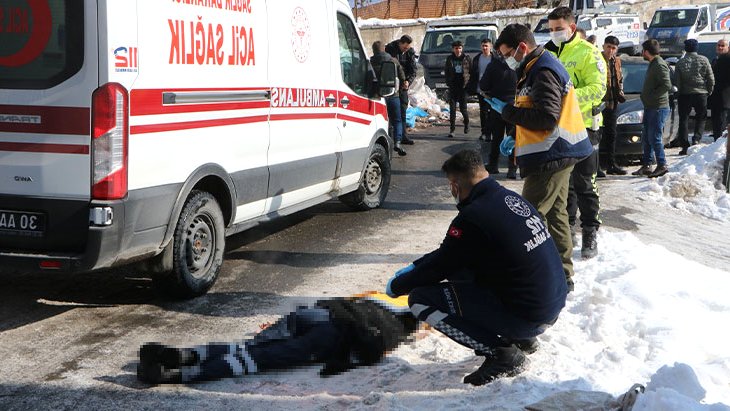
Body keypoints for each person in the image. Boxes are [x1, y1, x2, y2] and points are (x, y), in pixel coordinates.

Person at [386, 149, 568, 386]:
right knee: (465, 269)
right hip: (548, 307)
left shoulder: (474, 216)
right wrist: (417, 267)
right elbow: (453, 255)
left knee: (421, 298)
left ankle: (502, 355)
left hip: (527, 316)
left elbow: (441, 265)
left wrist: (399, 284)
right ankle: (521, 338)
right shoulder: (509, 199)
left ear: (455, 185)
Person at [489, 23, 593, 290]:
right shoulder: (533, 68)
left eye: (508, 53)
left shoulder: (542, 70)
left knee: (526, 218)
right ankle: (562, 276)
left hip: (553, 154)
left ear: (522, 47)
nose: (508, 60)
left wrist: (508, 113)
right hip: (555, 152)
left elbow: (546, 118)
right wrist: (514, 132)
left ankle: (523, 278)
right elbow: (535, 109)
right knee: (557, 215)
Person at [137, 292, 418, 384]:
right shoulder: (398, 328)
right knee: (256, 359)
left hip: (317, 314)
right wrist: (341, 363)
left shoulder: (378, 299)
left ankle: (184, 354)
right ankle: (172, 375)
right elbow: (369, 351)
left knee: (251, 345)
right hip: (330, 335)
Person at [545, 6, 607, 260]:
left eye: (558, 28)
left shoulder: (588, 53)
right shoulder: (548, 52)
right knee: (563, 183)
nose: (554, 33)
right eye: (550, 29)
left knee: (585, 182)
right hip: (556, 128)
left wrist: (566, 97)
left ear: (571, 27)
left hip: (584, 127)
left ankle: (590, 229)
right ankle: (566, 228)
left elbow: (598, 89)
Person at [632, 39, 672, 178]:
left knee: (655, 137)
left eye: (643, 50)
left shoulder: (660, 65)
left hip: (658, 107)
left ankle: (662, 164)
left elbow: (667, 85)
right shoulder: (653, 63)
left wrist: (652, 96)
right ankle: (647, 164)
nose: (642, 53)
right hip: (651, 106)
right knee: (647, 137)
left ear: (646, 51)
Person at [478, 44, 518, 177]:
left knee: (497, 137)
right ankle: (512, 169)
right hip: (515, 106)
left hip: (497, 106)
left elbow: (483, 85)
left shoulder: (493, 66)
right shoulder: (518, 66)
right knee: (513, 138)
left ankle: (493, 165)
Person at [673, 39, 714, 155]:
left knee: (683, 119)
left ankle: (685, 145)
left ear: (686, 49)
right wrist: (709, 91)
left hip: (685, 95)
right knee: (701, 117)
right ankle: (696, 139)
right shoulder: (704, 60)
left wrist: (678, 93)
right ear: (696, 48)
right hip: (701, 93)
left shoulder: (680, 63)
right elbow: (711, 78)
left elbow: (677, 82)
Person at [371, 41, 407, 156]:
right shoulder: (394, 61)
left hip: (377, 97)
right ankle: (397, 142)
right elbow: (402, 77)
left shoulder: (370, 62)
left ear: (373, 50)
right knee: (397, 120)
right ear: (384, 49)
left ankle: (385, 144)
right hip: (393, 95)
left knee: (381, 122)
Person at [600, 36, 628, 175]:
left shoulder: (617, 61)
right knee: (598, 135)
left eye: (613, 48)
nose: (610, 50)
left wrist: (620, 92)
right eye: (608, 47)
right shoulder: (598, 59)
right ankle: (597, 166)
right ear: (604, 46)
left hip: (613, 103)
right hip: (600, 103)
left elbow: (620, 78)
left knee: (611, 134)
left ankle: (611, 164)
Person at [386, 35, 418, 145]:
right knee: (391, 111)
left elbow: (413, 70)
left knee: (403, 110)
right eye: (404, 48)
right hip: (392, 84)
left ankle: (403, 135)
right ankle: (390, 136)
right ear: (400, 43)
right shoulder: (390, 49)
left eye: (407, 48)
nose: (406, 50)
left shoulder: (410, 52)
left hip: (403, 86)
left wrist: (408, 81)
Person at [468, 38, 494, 142]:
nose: (484, 48)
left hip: (492, 90)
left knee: (492, 112)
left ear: (490, 47)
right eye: (483, 46)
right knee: (483, 112)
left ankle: (490, 132)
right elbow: (473, 74)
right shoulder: (477, 58)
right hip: (480, 90)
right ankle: (484, 132)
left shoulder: (495, 58)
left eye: (486, 46)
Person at [445, 41, 472, 138]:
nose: (458, 50)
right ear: (453, 49)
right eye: (456, 48)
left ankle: (467, 124)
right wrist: (448, 82)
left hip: (463, 87)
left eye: (459, 48)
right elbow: (447, 71)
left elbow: (471, 71)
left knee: (463, 108)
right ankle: (452, 130)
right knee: (452, 109)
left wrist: (469, 85)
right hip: (453, 87)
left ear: (462, 48)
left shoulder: (466, 58)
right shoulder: (450, 58)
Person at [709, 39, 730, 141]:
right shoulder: (716, 59)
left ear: (728, 47)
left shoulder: (727, 59)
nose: (720, 47)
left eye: (723, 46)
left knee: (721, 125)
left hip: (724, 98)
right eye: (718, 45)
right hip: (717, 98)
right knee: (717, 124)